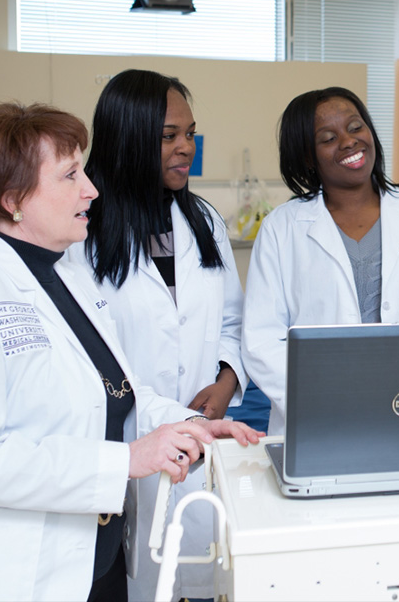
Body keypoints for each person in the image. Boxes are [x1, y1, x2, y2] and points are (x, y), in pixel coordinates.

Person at [0, 103, 261, 602]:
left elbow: (118, 395)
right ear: (12, 199)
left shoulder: (68, 278)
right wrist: (125, 460)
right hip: (6, 573)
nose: (91, 189)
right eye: (70, 175)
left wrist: (191, 425)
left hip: (95, 559)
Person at [78, 69, 248, 602]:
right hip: (123, 442)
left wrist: (225, 382)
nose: (186, 148)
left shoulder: (203, 221)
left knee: (198, 572)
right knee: (127, 578)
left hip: (198, 432)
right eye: (169, 136)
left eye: (190, 134)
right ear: (128, 139)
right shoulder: (84, 231)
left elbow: (233, 321)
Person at [242, 86, 399, 435]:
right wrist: (329, 395)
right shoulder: (282, 228)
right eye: (328, 138)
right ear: (307, 156)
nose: (349, 141)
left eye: (356, 127)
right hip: (320, 417)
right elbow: (262, 340)